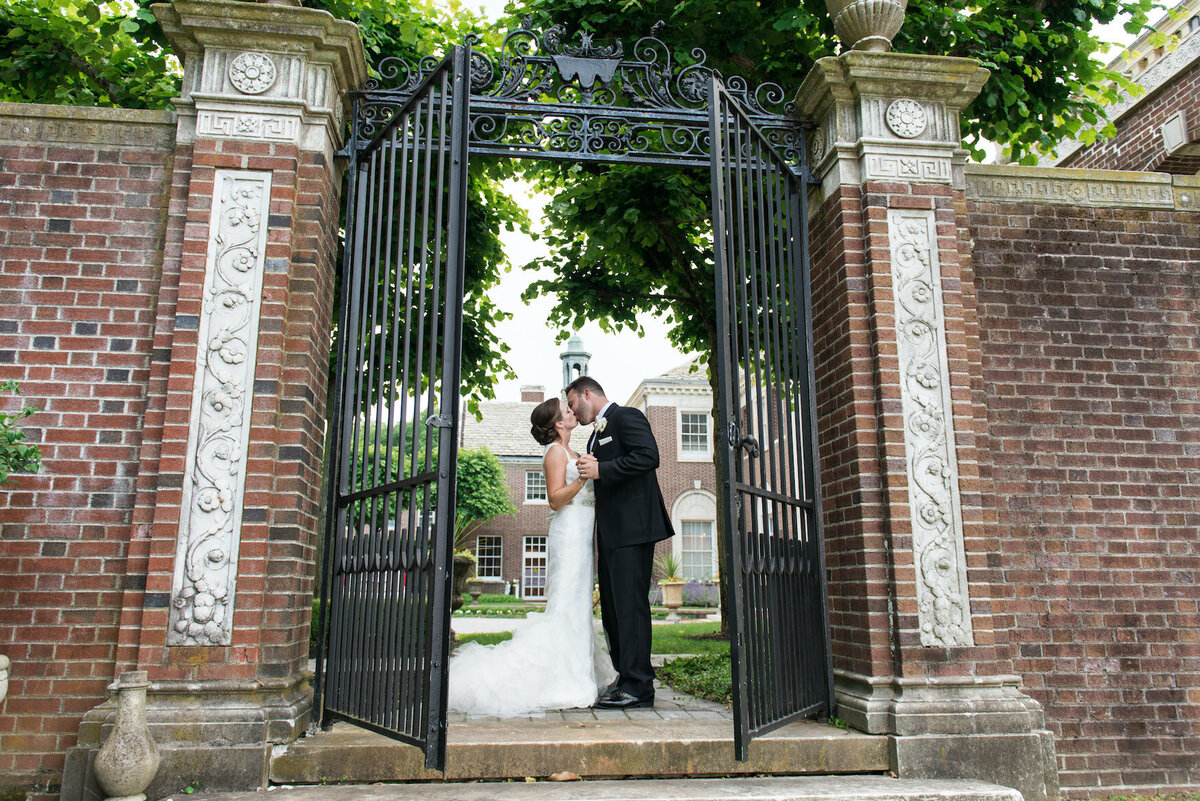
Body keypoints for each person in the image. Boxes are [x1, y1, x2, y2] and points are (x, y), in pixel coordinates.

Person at [445, 397, 617, 717]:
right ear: (557, 424)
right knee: (566, 604)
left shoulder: (574, 453)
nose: (572, 412)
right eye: (566, 411)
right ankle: (566, 680)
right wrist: (581, 479)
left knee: (577, 605)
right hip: (568, 536)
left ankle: (579, 674)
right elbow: (554, 500)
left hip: (583, 538)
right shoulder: (554, 452)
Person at [566, 376, 675, 710]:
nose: (573, 411)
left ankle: (641, 686)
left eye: (573, 404)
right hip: (611, 534)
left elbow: (649, 457)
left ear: (587, 393)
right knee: (614, 611)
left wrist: (603, 469)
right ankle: (626, 676)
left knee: (630, 608)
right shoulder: (595, 435)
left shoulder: (627, 417)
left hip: (634, 530)